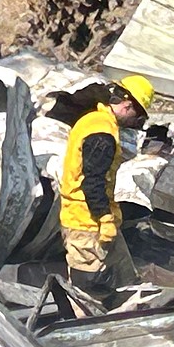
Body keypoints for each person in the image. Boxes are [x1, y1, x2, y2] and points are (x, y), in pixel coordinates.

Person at [60, 75, 154, 302]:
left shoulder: (93, 120)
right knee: (87, 292)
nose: (136, 122)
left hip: (95, 220)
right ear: (128, 105)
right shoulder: (102, 132)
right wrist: (104, 219)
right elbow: (92, 181)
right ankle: (83, 331)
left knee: (125, 280)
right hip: (87, 224)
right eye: (138, 116)